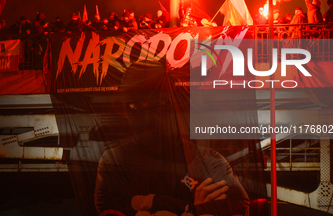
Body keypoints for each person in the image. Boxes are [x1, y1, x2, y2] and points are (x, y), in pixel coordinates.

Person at [94, 61, 249, 216]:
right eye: (135, 107)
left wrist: (154, 202)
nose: (148, 118)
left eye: (159, 105)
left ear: (174, 107)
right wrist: (194, 209)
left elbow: (238, 206)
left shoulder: (209, 160)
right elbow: (109, 212)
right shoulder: (113, 160)